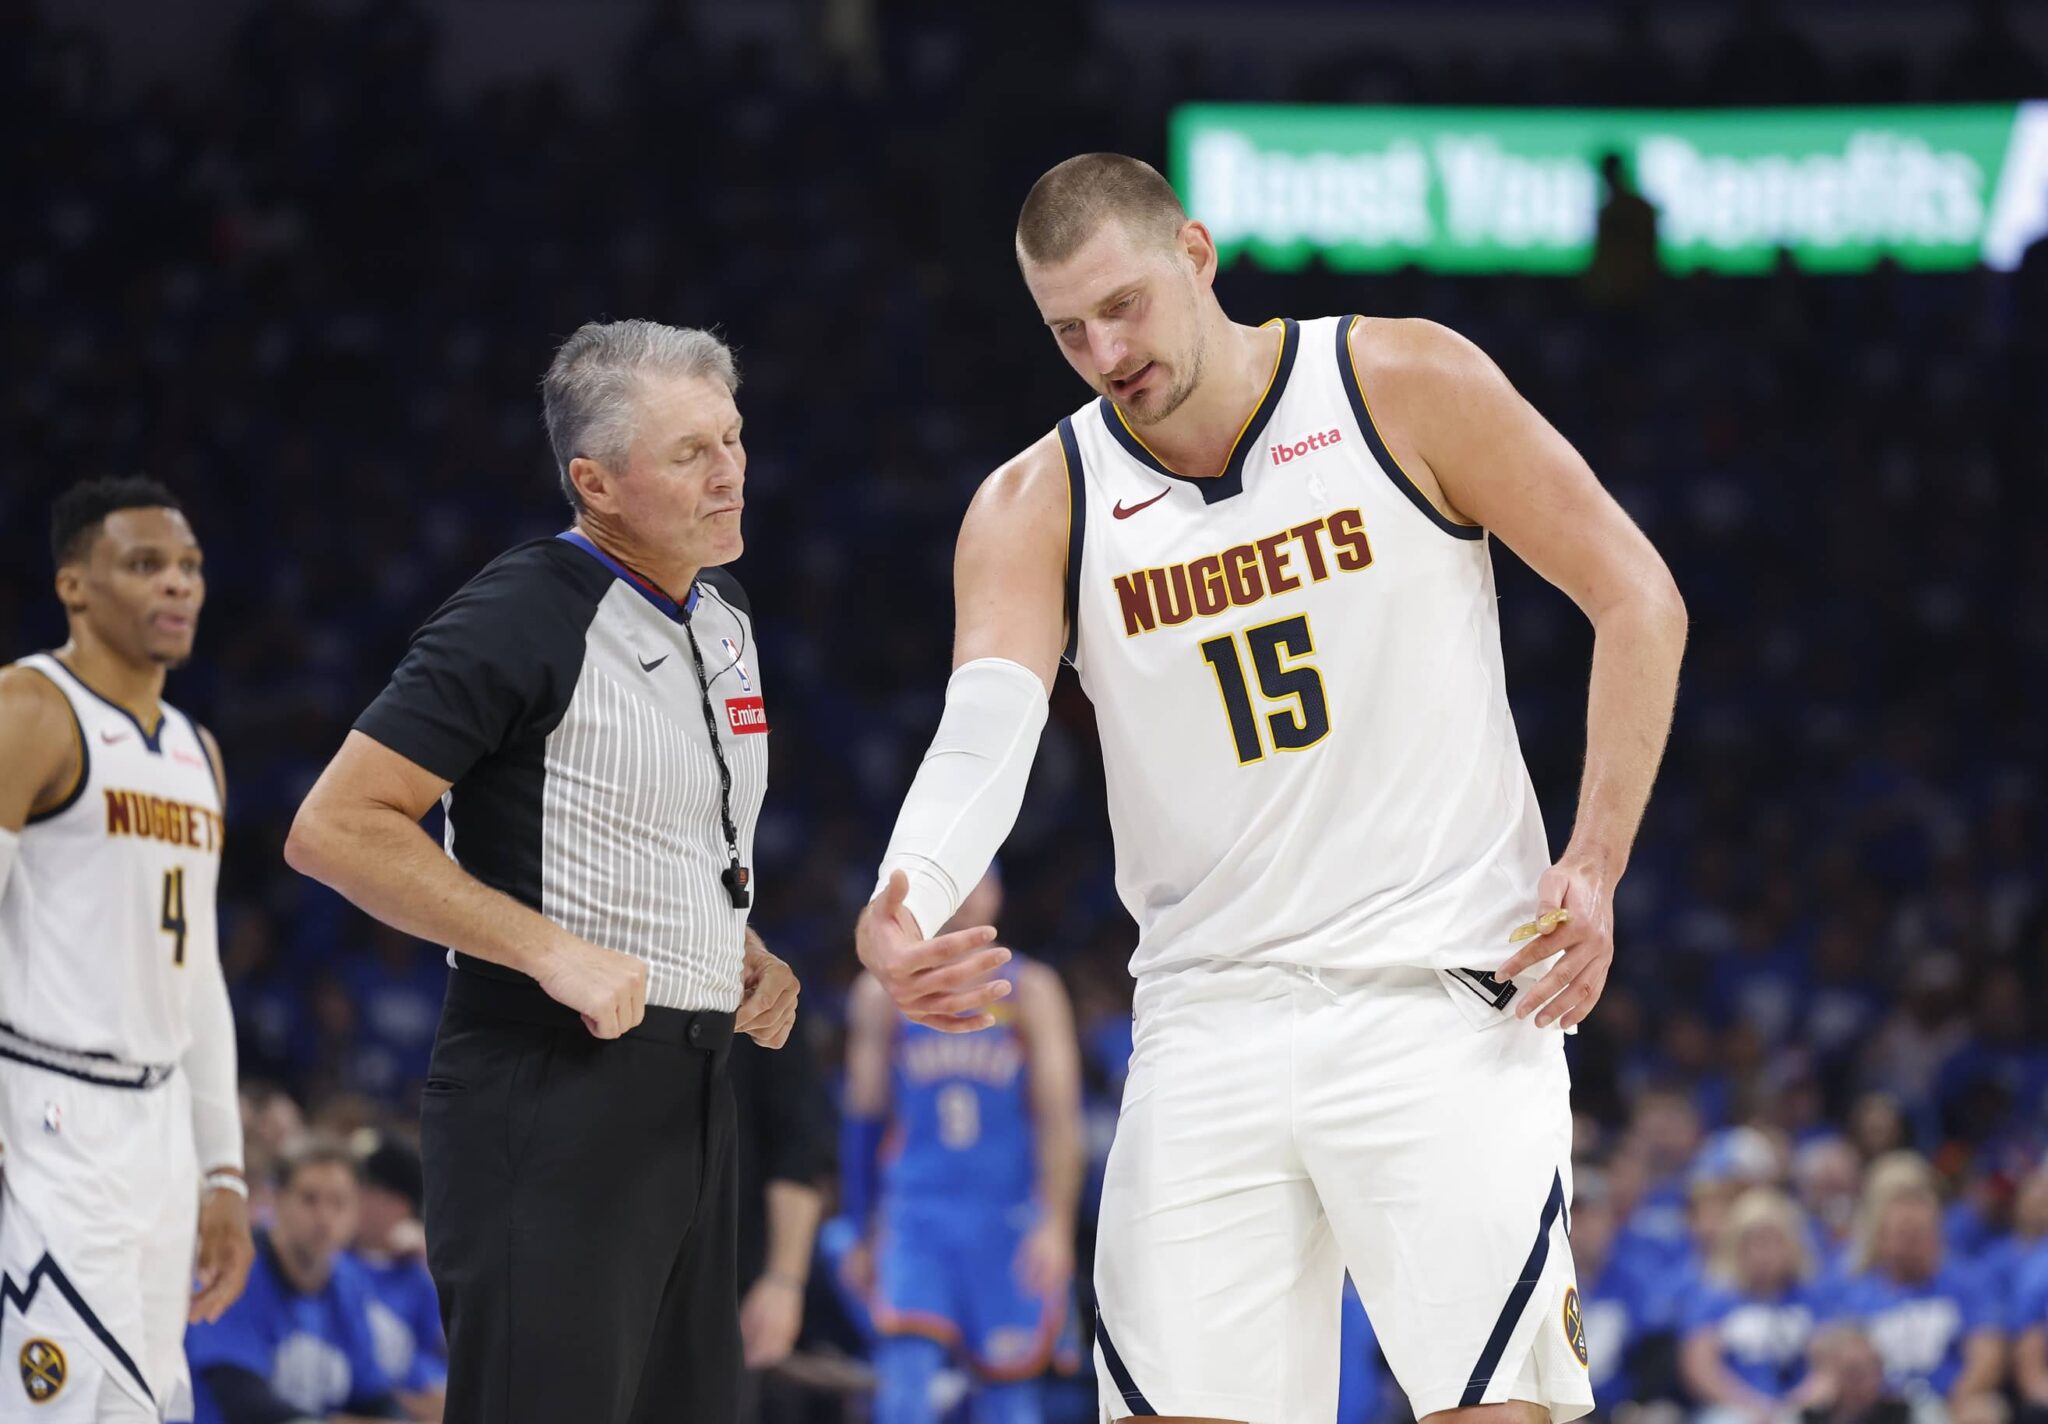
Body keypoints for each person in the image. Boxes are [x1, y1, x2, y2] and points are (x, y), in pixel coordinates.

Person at [854, 153, 1688, 1424]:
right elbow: (985, 727)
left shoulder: (1399, 381)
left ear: (1196, 252)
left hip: (1441, 993)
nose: (1101, 349)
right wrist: (905, 890)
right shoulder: (1037, 498)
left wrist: (1598, 856)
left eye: (1122, 304)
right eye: (1065, 329)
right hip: (1203, 1013)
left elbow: (1636, 596)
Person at [284, 319, 801, 1424]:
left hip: (695, 1096)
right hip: (548, 1095)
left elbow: (657, 835)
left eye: (733, 436)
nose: (730, 472)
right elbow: (333, 825)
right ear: (595, 482)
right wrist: (546, 946)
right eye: (689, 453)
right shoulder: (521, 610)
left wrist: (736, 951)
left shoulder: (725, 612)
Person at [0, 477, 254, 1420]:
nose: (178, 586)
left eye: (188, 567)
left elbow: (198, 985)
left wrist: (223, 1170)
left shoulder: (199, 753)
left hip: (157, 1135)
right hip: (47, 1109)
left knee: (146, 1406)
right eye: (145, 565)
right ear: (75, 585)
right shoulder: (29, 708)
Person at [843, 869, 1084, 1423]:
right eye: (956, 879)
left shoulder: (1033, 989)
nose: (968, 894)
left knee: (1010, 1398)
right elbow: (864, 1116)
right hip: (914, 1215)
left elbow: (1059, 1119)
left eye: (980, 880)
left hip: (1006, 1216)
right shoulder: (880, 993)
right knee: (905, 1389)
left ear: (998, 892)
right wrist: (861, 1226)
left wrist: (1056, 1223)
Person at [185, 1139, 411, 1424]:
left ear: (355, 1212)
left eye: (339, 1203)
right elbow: (241, 1399)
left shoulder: (349, 1283)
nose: (324, 1217)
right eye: (309, 1199)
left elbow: (374, 1395)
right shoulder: (233, 1272)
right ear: (278, 1201)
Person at [1824, 1154, 2005, 1420]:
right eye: (1902, 1235)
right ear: (1881, 1238)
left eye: (1920, 1233)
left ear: (1937, 1234)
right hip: (1878, 1407)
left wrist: (1955, 1400)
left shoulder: (1966, 1281)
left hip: (1948, 1402)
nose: (1912, 1244)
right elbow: (1837, 1363)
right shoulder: (1856, 1290)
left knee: (1983, 1410)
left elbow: (1988, 1356)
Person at [1679, 1187, 1824, 1422]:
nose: (1765, 1254)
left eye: (1775, 1242)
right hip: (1731, 1408)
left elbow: (1827, 1370)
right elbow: (1700, 1369)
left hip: (1796, 1408)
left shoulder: (1810, 1300)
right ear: (1736, 1247)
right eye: (1756, 1242)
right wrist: (1752, 1407)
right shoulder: (1715, 1299)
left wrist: (1794, 1404)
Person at [349, 1138, 446, 1416]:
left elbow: (429, 1361)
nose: (358, 1199)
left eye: (368, 1190)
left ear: (399, 1206)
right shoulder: (334, 1266)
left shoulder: (417, 1279)